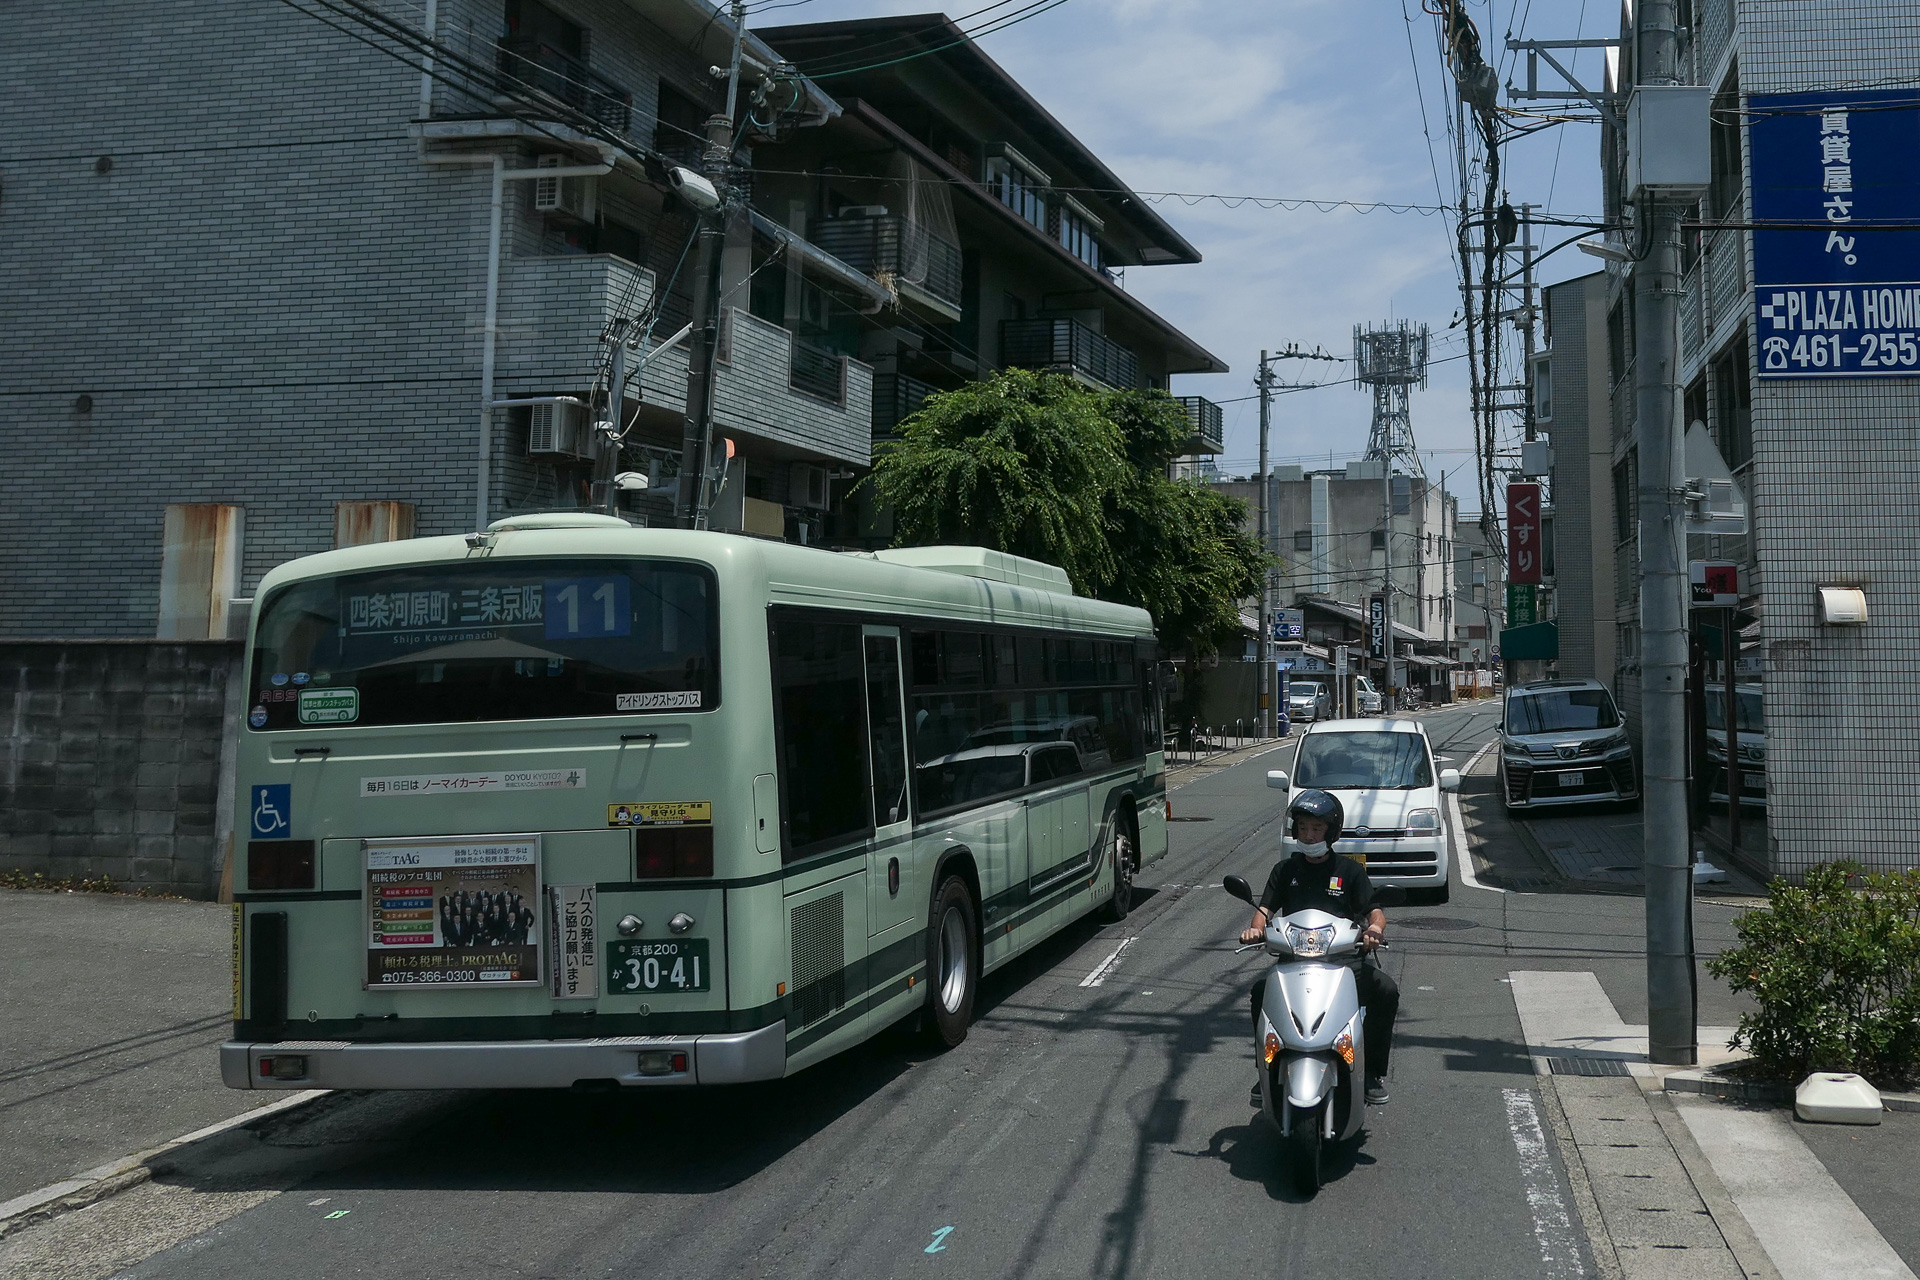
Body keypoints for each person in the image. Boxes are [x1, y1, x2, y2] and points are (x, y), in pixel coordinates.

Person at [1239, 788, 1400, 1106]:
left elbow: (1375, 911)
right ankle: (1267, 1071)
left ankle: (1370, 1072)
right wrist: (1254, 930)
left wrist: (1375, 930)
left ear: (1332, 831)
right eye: (1302, 828)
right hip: (1293, 961)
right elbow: (1264, 910)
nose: (1308, 835)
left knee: (1386, 991)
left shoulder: (1350, 871)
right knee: (1260, 992)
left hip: (1343, 962)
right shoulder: (1285, 870)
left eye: (1316, 828)